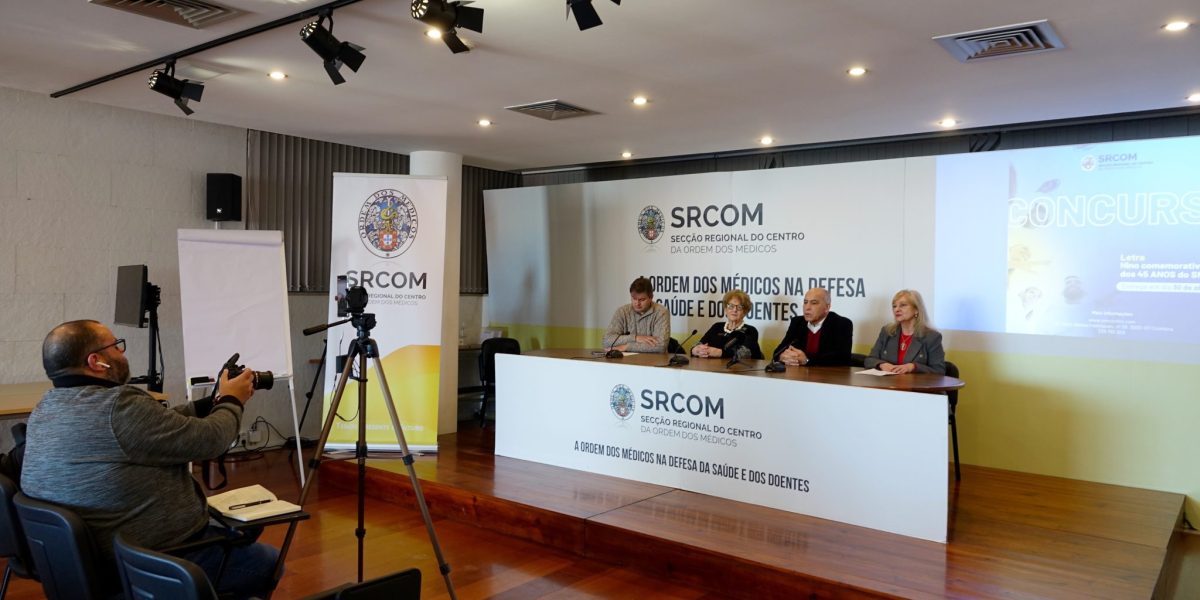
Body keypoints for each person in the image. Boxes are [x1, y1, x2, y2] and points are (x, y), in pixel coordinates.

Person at [21, 320, 279, 599]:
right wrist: (233, 401)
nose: (122, 353)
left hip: (86, 565)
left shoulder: (47, 406)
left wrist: (214, 401)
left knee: (241, 532)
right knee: (267, 560)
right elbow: (212, 440)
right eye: (116, 346)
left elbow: (156, 426)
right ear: (96, 361)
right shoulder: (118, 405)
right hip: (150, 562)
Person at [864, 290, 946, 374]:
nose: (897, 309)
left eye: (903, 305)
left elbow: (939, 371)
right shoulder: (887, 332)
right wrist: (881, 364)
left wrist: (913, 367)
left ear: (916, 309)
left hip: (914, 382)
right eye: (894, 306)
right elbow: (869, 360)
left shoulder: (932, 337)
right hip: (888, 381)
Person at [771, 287, 854, 366]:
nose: (807, 307)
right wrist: (782, 357)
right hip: (799, 374)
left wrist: (807, 360)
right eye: (805, 302)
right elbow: (778, 352)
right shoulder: (797, 322)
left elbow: (843, 357)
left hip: (829, 375)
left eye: (814, 303)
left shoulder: (841, 324)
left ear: (827, 307)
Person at [603, 276, 671, 353]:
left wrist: (627, 347)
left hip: (653, 359)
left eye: (642, 300)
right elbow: (606, 341)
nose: (637, 303)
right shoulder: (622, 312)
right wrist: (635, 338)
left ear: (651, 297)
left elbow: (661, 346)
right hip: (626, 360)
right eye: (634, 298)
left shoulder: (661, 312)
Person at [691, 289, 763, 359]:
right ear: (725, 309)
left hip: (739, 367)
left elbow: (744, 354)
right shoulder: (716, 327)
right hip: (712, 366)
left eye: (739, 307)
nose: (734, 310)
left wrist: (718, 352)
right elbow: (700, 344)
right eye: (731, 306)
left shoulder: (750, 331)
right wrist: (695, 350)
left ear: (745, 312)